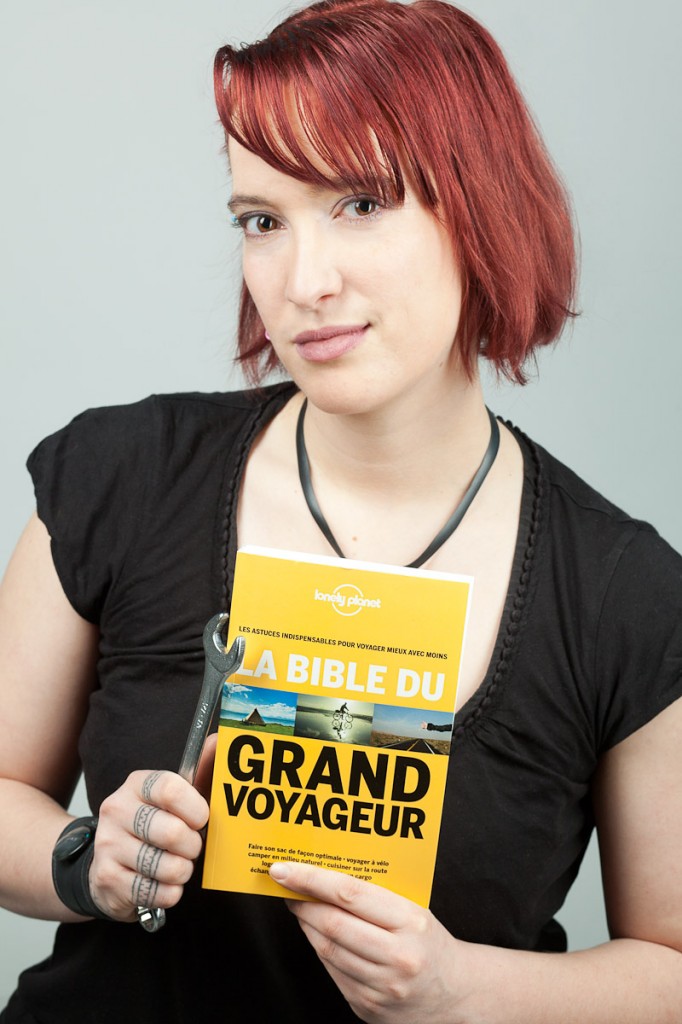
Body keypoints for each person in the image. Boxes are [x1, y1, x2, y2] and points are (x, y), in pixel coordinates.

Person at [1, 0, 681, 1020]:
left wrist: (462, 989)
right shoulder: (122, 473)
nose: (303, 281)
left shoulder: (625, 595)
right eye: (261, 221)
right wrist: (84, 856)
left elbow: (670, 962)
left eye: (361, 203)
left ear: (479, 208)